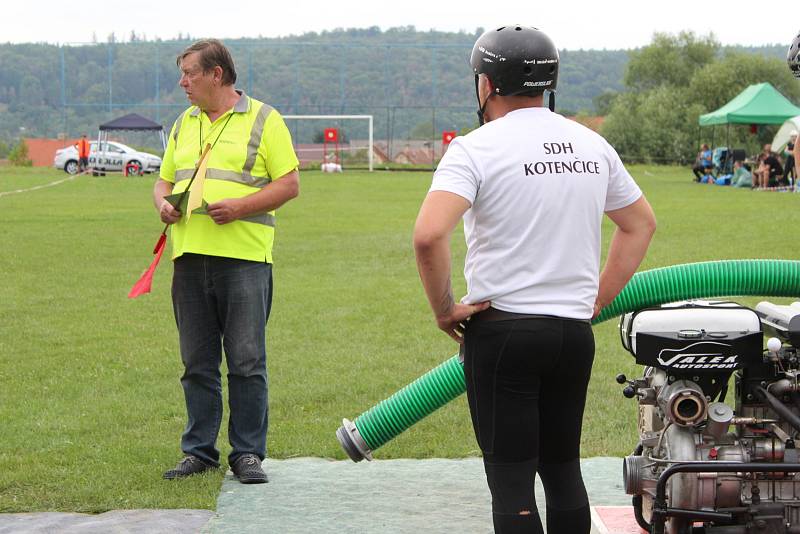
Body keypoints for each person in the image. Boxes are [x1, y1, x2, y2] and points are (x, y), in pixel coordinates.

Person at [412, 26, 656, 534]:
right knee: (563, 469)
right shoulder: (592, 143)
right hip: (571, 334)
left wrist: (443, 309)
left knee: (512, 481)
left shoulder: (475, 148)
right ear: (549, 83)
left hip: (503, 333)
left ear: (486, 84)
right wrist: (597, 297)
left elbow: (429, 235)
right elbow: (640, 224)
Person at [155, 39, 300, 484]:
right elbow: (162, 182)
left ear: (217, 74)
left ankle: (247, 454)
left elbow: (290, 184)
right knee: (196, 363)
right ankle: (199, 452)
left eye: (190, 73)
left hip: (244, 260)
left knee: (246, 360)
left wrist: (240, 207)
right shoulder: (184, 122)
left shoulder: (264, 119)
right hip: (189, 259)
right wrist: (162, 205)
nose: (183, 82)